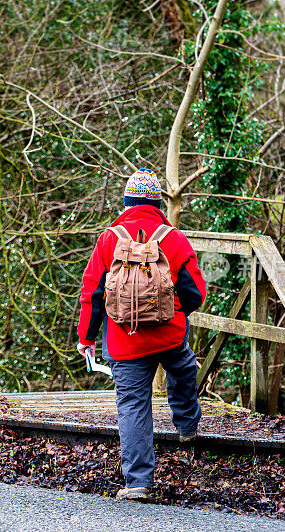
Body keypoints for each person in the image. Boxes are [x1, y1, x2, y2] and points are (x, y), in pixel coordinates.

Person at [76, 168, 207, 502]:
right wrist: (176, 315)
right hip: (168, 335)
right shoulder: (172, 237)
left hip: (124, 341)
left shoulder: (109, 238)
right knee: (183, 368)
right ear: (157, 202)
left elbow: (92, 293)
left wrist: (87, 338)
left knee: (133, 404)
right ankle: (188, 426)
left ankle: (138, 483)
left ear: (126, 201)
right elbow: (195, 293)